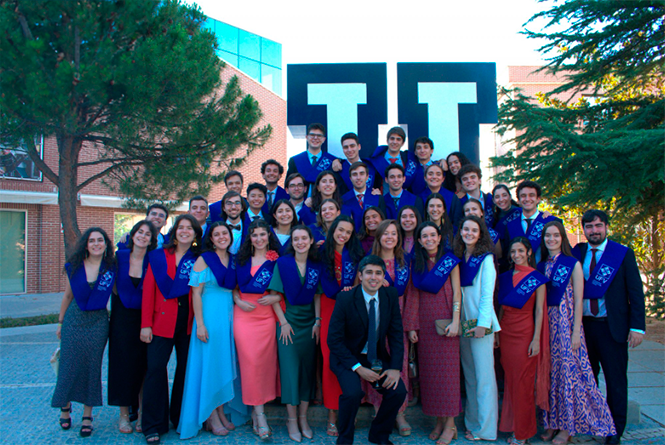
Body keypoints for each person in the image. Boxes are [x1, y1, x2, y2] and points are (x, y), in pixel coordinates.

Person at [538, 221, 616, 444]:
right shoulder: (542, 265)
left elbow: (579, 302)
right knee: (552, 375)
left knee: (568, 376)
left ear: (563, 238)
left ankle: (568, 427)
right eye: (547, 236)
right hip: (548, 328)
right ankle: (553, 421)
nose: (551, 239)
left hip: (567, 327)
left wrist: (575, 333)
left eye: (555, 235)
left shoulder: (572, 264)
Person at [572, 209, 645, 445]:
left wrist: (638, 327)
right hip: (583, 328)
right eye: (589, 227)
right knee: (587, 378)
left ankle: (615, 431)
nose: (594, 231)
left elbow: (635, 292)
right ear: (583, 230)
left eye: (598, 226)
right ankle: (593, 422)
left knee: (615, 381)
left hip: (612, 328)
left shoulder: (621, 254)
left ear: (606, 227)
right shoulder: (578, 252)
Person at [327, 255, 408, 445]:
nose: (374, 277)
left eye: (378, 273)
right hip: (347, 358)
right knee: (353, 393)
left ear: (383, 277)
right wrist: (357, 367)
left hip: (375, 356)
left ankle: (378, 434)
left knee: (397, 392)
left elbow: (396, 335)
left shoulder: (390, 296)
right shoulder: (346, 298)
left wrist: (395, 368)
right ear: (360, 276)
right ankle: (345, 438)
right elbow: (334, 340)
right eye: (369, 272)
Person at [178, 222, 245, 439]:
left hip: (227, 315)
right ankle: (210, 416)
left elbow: (233, 289)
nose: (222, 237)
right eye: (217, 234)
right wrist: (201, 324)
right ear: (211, 239)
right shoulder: (204, 259)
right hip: (209, 316)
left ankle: (220, 411)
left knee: (221, 363)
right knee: (209, 364)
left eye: (225, 233)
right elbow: (196, 294)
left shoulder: (234, 260)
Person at [140, 214, 202, 444]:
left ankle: (180, 418)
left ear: (196, 234)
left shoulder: (199, 258)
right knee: (155, 370)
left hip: (188, 323)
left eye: (190, 228)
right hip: (160, 322)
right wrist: (145, 324)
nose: (185, 231)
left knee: (185, 371)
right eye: (181, 227)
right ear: (174, 231)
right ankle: (153, 424)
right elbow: (148, 292)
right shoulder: (157, 256)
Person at [52, 227, 116, 438]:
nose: (96, 244)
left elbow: (118, 294)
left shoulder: (111, 268)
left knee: (91, 367)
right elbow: (68, 297)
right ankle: (65, 404)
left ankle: (87, 415)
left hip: (98, 323)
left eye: (100, 240)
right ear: (86, 245)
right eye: (92, 241)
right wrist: (61, 322)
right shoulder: (75, 267)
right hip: (74, 321)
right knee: (69, 364)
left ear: (106, 244)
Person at [405, 221, 462, 445]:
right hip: (426, 324)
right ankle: (440, 421)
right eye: (424, 236)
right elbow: (413, 295)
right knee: (431, 376)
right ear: (419, 241)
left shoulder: (449, 261)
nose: (429, 239)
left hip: (447, 322)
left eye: (432, 235)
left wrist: (457, 321)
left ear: (439, 237)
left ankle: (451, 425)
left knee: (448, 376)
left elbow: (457, 293)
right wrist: (412, 326)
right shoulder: (416, 263)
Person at [268, 225, 322, 442]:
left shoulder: (315, 266)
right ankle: (291, 421)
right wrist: (283, 323)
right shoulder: (283, 263)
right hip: (288, 323)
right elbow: (274, 295)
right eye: (296, 239)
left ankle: (303, 418)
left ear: (310, 241)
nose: (300, 242)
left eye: (304, 238)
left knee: (307, 372)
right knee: (290, 373)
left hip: (310, 324)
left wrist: (317, 321)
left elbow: (317, 295)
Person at [497, 236, 550, 445]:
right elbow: (501, 307)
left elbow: (539, 311)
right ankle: (511, 426)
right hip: (507, 332)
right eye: (512, 252)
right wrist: (497, 333)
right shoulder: (505, 277)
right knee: (511, 382)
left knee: (524, 383)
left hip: (526, 333)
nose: (516, 255)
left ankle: (523, 433)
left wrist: (536, 340)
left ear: (529, 252)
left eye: (520, 251)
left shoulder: (537, 278)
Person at [233, 219, 282, 440]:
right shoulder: (241, 260)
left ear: (269, 237)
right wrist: (239, 301)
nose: (260, 239)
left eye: (263, 234)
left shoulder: (277, 260)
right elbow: (232, 288)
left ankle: (257, 412)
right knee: (250, 364)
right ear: (250, 238)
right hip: (244, 315)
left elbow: (283, 289)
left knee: (263, 365)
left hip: (267, 317)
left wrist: (275, 296)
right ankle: (260, 416)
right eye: (255, 235)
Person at [453, 215, 501, 441]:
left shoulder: (486, 259)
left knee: (484, 377)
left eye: (473, 230)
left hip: (481, 324)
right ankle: (472, 422)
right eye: (465, 229)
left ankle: (487, 429)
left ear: (480, 234)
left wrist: (483, 324)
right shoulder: (460, 256)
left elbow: (486, 295)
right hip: (463, 322)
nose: (469, 233)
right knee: (470, 375)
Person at [109, 221, 157, 434]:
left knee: (144, 366)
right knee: (123, 366)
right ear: (132, 235)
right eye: (140, 232)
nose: (143, 236)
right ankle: (123, 415)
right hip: (122, 319)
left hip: (147, 318)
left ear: (151, 239)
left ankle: (142, 414)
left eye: (147, 234)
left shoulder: (153, 260)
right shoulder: (119, 258)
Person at [319, 215, 365, 436]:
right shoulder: (321, 252)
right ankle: (331, 415)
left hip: (351, 309)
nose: (343, 235)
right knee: (331, 361)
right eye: (340, 230)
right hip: (329, 309)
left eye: (348, 231)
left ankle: (350, 412)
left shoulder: (355, 254)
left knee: (350, 360)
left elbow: (360, 281)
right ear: (332, 229)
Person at [370, 220, 413, 436]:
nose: (389, 237)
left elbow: (412, 292)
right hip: (376, 320)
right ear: (378, 236)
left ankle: (399, 413)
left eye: (394, 233)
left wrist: (411, 323)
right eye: (385, 233)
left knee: (399, 362)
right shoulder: (370, 262)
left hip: (400, 319)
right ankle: (379, 409)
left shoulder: (405, 261)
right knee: (378, 363)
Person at [501, 180, 560, 262]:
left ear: (538, 199)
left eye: (531, 195)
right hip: (519, 272)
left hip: (545, 272)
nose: (527, 199)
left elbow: (564, 251)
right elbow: (506, 256)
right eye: (523, 196)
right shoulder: (510, 226)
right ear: (518, 200)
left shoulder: (551, 222)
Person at [286, 123, 337, 191]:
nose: (315, 138)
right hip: (301, 200)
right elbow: (288, 185)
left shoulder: (331, 161)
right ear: (307, 137)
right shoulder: (295, 161)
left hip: (324, 200)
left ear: (323, 139)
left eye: (319, 135)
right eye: (312, 135)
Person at [341, 162, 386, 231]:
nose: (358, 178)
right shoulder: (344, 200)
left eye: (361, 174)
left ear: (367, 177)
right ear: (350, 178)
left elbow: (383, 223)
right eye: (355, 174)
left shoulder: (377, 198)